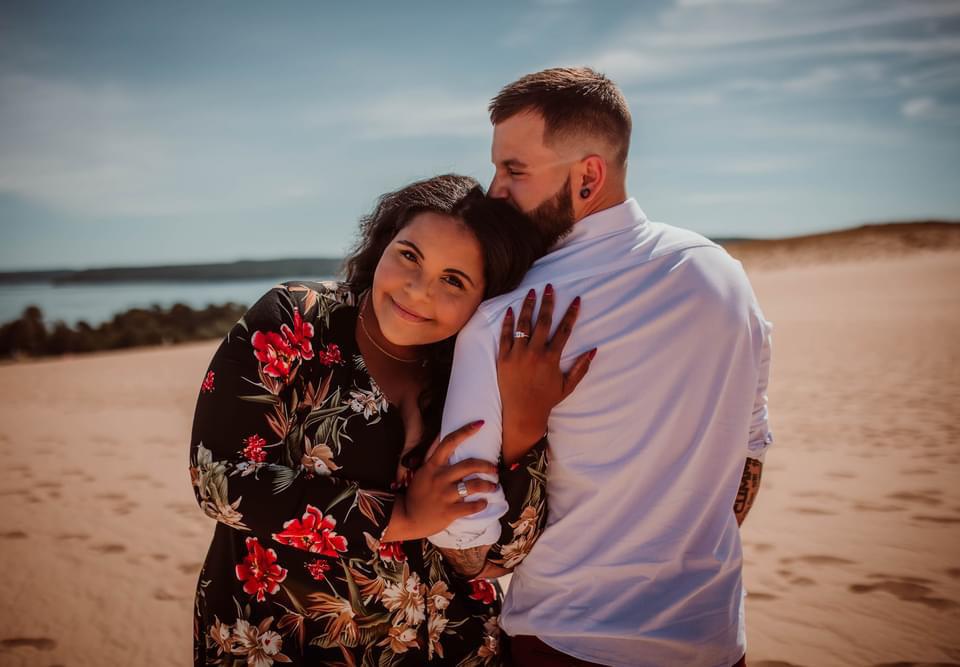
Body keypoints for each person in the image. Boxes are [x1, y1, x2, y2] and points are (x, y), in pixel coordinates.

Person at [428, 68, 774, 667]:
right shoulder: (724, 277)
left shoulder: (507, 319)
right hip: (715, 640)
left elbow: (468, 538)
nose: (494, 191)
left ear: (588, 176)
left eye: (514, 170)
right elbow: (749, 458)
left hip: (567, 642)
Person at [188, 174, 593, 666]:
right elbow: (218, 479)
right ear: (383, 243)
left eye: (453, 280)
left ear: (486, 297)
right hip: (283, 645)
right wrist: (401, 517)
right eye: (409, 255)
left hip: (452, 647)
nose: (417, 291)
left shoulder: (478, 369)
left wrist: (525, 430)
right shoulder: (298, 318)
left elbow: (499, 557)